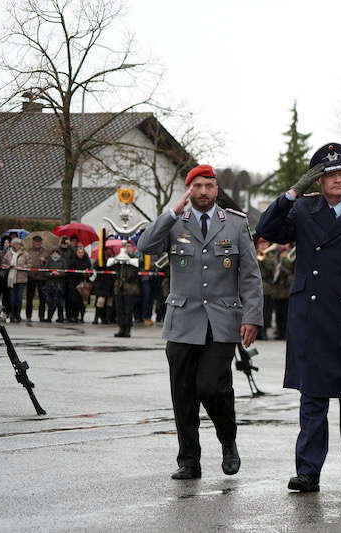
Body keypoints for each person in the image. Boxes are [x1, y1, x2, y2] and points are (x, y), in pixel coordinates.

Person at [256, 142, 341, 492]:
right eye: (329, 175)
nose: (338, 179)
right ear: (318, 181)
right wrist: (293, 191)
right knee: (312, 396)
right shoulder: (303, 209)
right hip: (312, 316)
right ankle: (308, 471)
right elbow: (268, 229)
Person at [137, 163, 263, 480]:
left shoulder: (234, 224)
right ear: (188, 189)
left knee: (212, 386)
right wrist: (170, 212)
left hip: (222, 321)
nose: (203, 192)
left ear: (216, 190)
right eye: (197, 186)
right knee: (183, 394)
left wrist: (252, 316)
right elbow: (144, 247)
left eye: (209, 186)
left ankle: (228, 440)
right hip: (182, 321)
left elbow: (249, 275)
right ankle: (189, 461)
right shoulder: (175, 222)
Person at [108, 243, 140, 338]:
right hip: (119, 288)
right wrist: (118, 259)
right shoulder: (119, 259)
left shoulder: (134, 259)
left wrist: (128, 260)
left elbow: (133, 273)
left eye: (129, 247)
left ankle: (127, 329)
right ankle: (121, 328)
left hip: (130, 289)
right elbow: (110, 266)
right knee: (119, 309)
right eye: (125, 247)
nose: (127, 249)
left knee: (128, 310)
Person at [2, 238, 29, 323]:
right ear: (12, 245)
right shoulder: (8, 253)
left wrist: (21, 267)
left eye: (18, 244)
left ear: (21, 245)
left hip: (21, 279)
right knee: (12, 298)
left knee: (19, 298)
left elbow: (29, 264)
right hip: (11, 278)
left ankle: (18, 315)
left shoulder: (25, 254)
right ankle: (12, 315)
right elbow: (3, 263)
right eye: (15, 244)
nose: (17, 246)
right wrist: (7, 266)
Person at [25, 235, 48, 322]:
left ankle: (41, 316)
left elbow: (48, 264)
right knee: (29, 298)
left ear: (41, 242)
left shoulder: (46, 252)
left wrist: (44, 261)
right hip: (31, 277)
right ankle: (28, 316)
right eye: (36, 241)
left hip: (42, 278)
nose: (37, 243)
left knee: (42, 298)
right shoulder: (28, 251)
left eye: (39, 241)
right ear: (33, 242)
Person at [67, 246, 92, 323]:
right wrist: (81, 273)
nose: (81, 254)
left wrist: (88, 273)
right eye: (79, 252)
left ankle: (82, 316)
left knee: (83, 301)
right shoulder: (72, 261)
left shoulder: (87, 261)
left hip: (84, 284)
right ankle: (74, 316)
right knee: (74, 301)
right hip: (74, 283)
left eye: (82, 252)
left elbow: (90, 272)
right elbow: (71, 272)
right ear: (76, 253)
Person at [44, 247, 66, 323]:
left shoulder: (63, 261)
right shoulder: (49, 261)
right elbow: (45, 272)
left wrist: (59, 273)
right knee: (50, 302)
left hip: (60, 284)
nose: (55, 254)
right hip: (50, 284)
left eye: (56, 252)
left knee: (60, 302)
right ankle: (49, 317)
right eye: (53, 252)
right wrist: (50, 274)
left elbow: (66, 271)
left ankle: (61, 318)